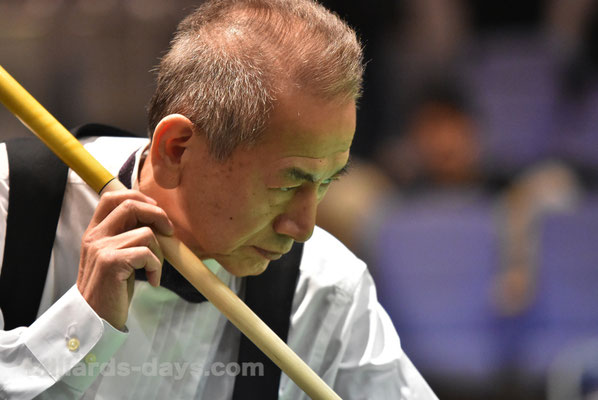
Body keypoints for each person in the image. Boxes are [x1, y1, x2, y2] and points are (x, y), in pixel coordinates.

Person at [0, 0, 437, 399]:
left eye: (324, 184)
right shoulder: (8, 205)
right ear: (176, 150)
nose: (304, 227)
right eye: (287, 185)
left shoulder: (325, 290)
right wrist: (79, 326)